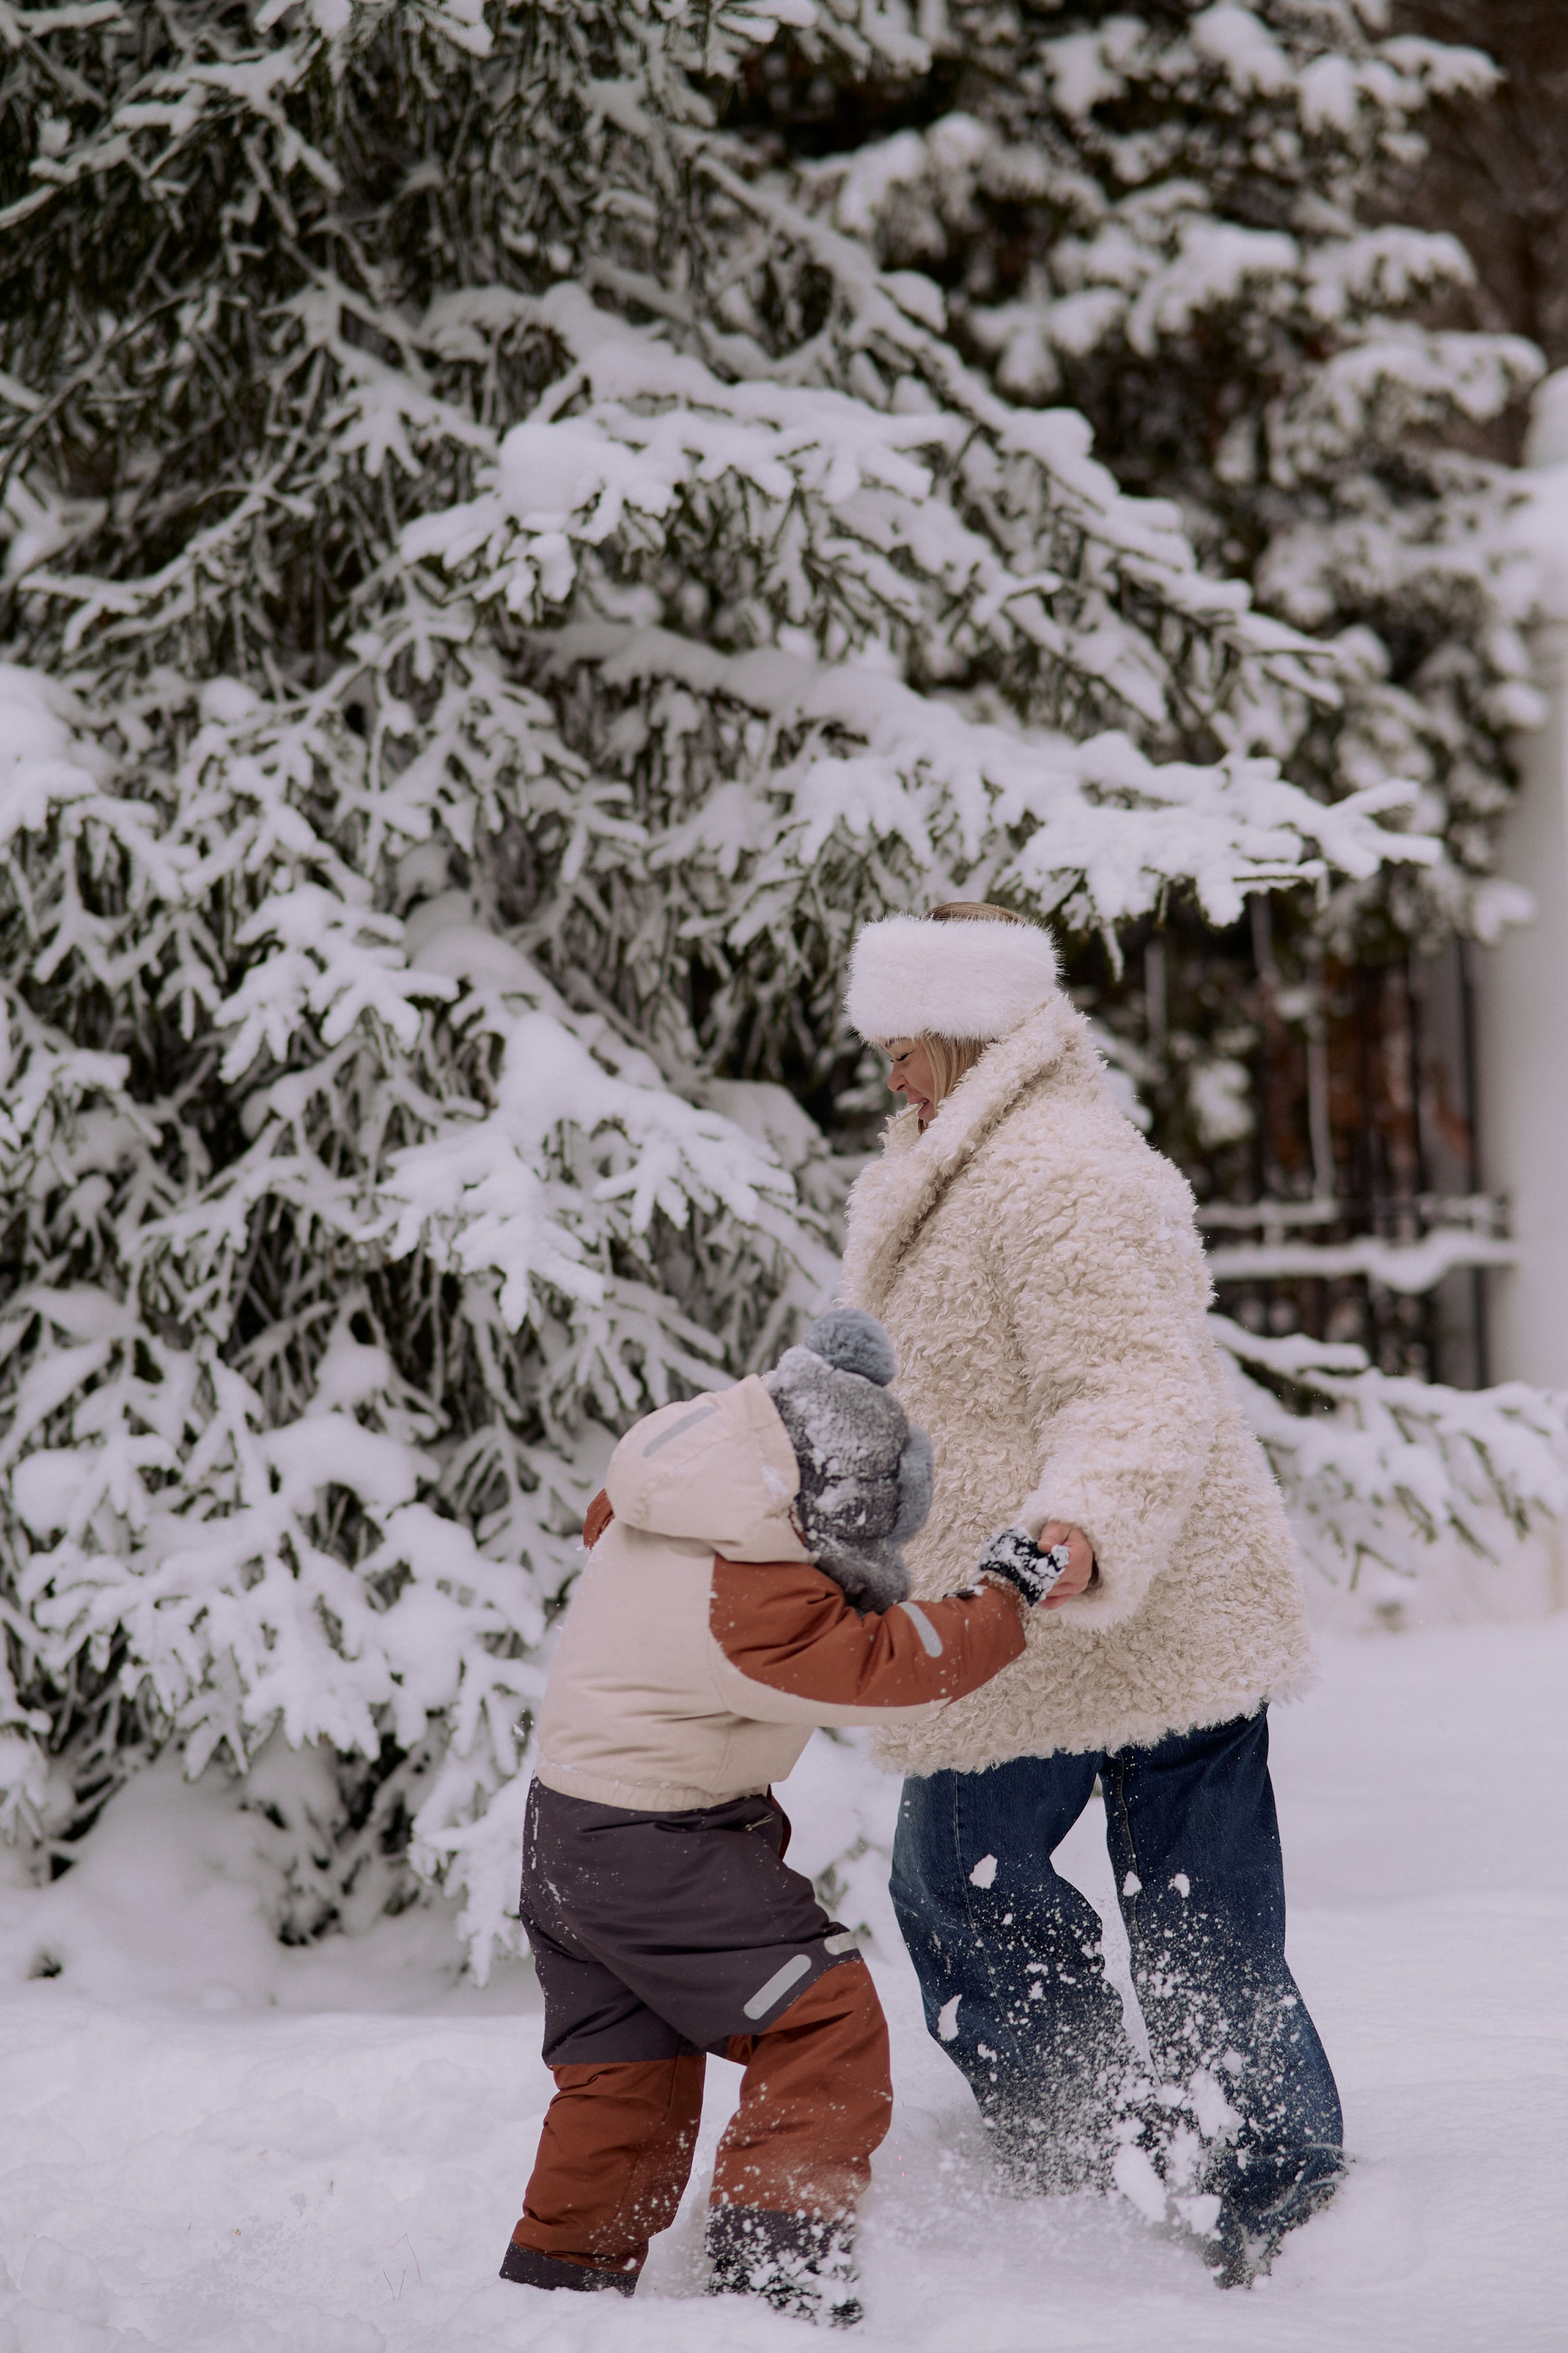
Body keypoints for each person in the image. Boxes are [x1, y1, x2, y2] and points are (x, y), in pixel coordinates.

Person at [838, 902, 1344, 2289]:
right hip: (1024, 1616)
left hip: (1122, 1591)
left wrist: (1076, 1524)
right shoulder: (962, 1164)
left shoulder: (1057, 1169)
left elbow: (1131, 1385)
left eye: (905, 1042)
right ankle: (1087, 2130)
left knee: (1191, 1910)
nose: (888, 1069)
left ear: (966, 1030)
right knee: (956, 1876)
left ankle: (1268, 2181)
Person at [498, 1307, 1067, 2324]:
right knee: (823, 2016)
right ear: (839, 1499)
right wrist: (1002, 1597)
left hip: (570, 1839)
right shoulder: (750, 1598)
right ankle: (779, 2283)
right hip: (653, 1844)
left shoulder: (676, 1500)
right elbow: (889, 1661)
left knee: (624, 2081)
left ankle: (562, 2297)